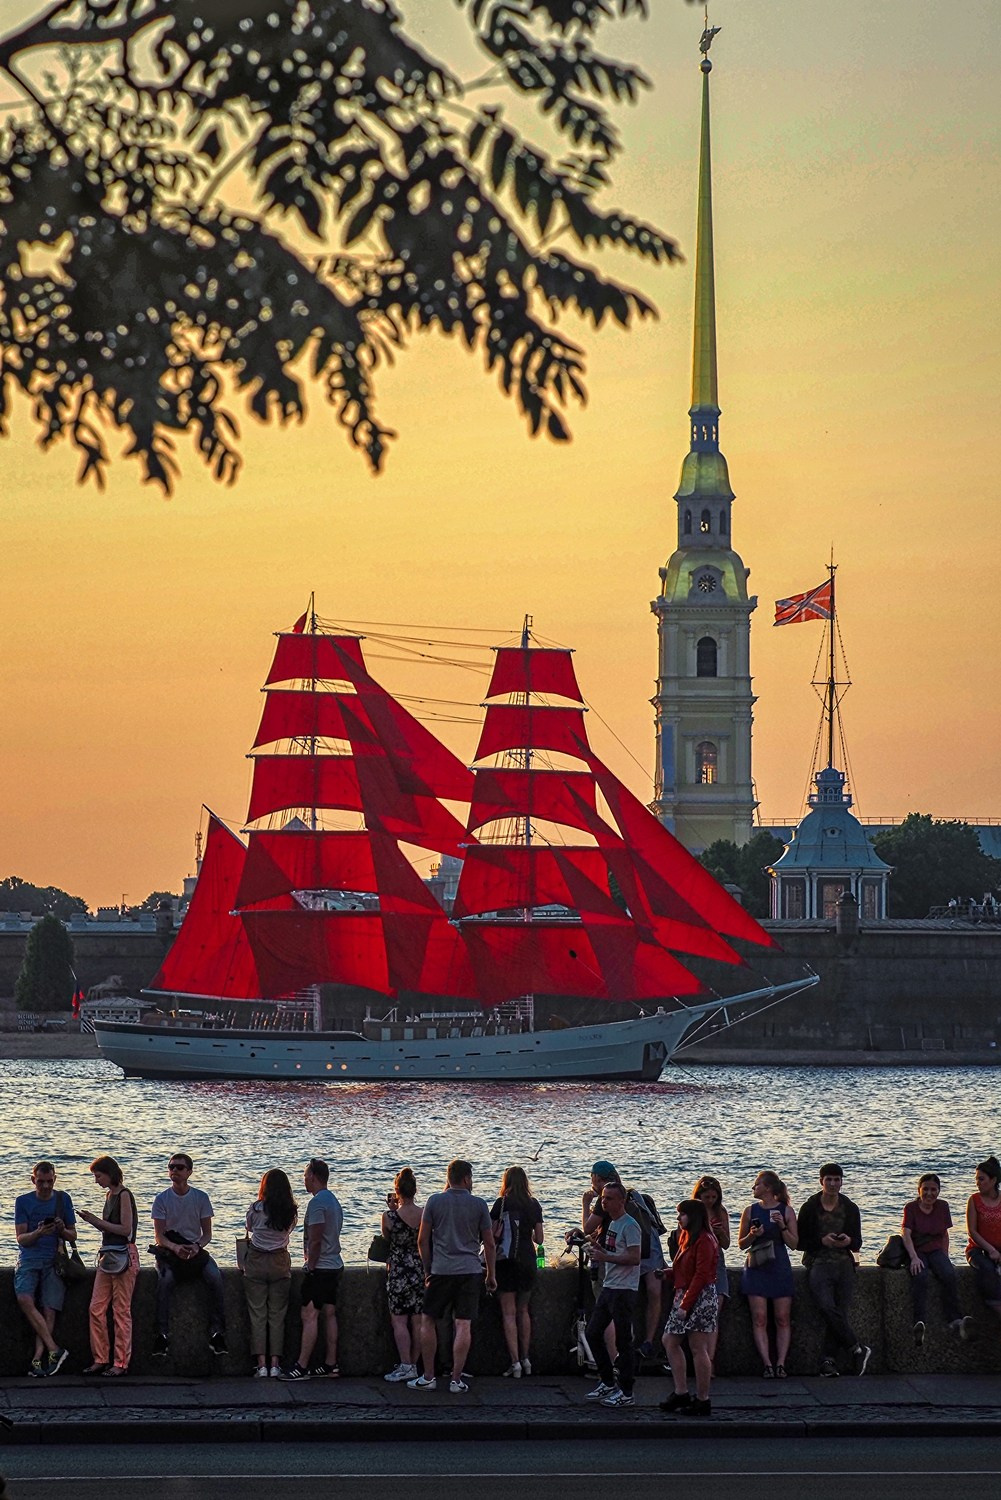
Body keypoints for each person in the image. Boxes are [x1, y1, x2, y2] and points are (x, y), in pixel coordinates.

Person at [408, 1158, 496, 1394]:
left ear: (449, 1178)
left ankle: (429, 1376)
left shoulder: (434, 1201)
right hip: (470, 1271)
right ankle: (456, 1379)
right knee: (463, 1324)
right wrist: (491, 1275)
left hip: (441, 1270)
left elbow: (422, 1241)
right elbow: (489, 1244)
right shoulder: (479, 1204)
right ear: (466, 1179)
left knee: (428, 1320)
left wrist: (428, 1269)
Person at [151, 1151, 227, 1357]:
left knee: (215, 1277)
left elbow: (207, 1234)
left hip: (194, 1249)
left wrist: (196, 1246)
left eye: (179, 1167)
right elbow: (159, 1236)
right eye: (171, 1167)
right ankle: (161, 1335)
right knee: (165, 1281)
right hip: (170, 1251)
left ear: (189, 1172)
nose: (174, 1171)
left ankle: (217, 1332)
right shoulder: (161, 1199)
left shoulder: (200, 1198)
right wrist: (175, 1248)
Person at [797, 1164, 871, 1378]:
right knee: (827, 1307)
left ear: (841, 1182)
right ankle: (857, 1347)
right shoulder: (810, 1207)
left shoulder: (850, 1207)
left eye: (836, 1179)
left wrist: (848, 1241)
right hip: (818, 1262)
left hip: (844, 1264)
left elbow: (857, 1241)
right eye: (828, 1179)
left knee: (840, 1313)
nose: (832, 1184)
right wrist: (822, 1241)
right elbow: (800, 1242)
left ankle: (828, 1361)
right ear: (821, 1181)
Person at [14, 1160, 76, 1376]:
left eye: (49, 1181)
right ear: (34, 1180)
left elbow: (72, 1235)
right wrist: (38, 1233)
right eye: (41, 1182)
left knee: (49, 1309)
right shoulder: (23, 1201)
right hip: (29, 1258)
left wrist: (61, 1229)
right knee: (24, 1299)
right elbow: (21, 1238)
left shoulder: (63, 1199)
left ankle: (38, 1359)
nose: (46, 1186)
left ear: (55, 1179)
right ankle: (54, 1349)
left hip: (53, 1260)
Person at [282, 1158, 343, 1381]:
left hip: (321, 1268)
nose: (304, 1180)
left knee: (309, 1314)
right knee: (330, 1313)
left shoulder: (317, 1203)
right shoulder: (333, 1200)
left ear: (314, 1177)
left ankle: (302, 1366)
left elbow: (316, 1239)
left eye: (305, 1175)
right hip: (335, 1264)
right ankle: (331, 1363)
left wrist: (311, 1265)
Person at [583, 1179, 641, 1409]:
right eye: (602, 1198)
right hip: (610, 1285)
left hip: (624, 1289)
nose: (604, 1202)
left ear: (621, 1201)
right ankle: (608, 1381)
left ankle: (627, 1391)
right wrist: (597, 1249)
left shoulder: (630, 1225)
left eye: (609, 1198)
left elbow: (635, 1257)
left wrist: (605, 1257)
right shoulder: (613, 1224)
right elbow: (614, 1251)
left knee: (623, 1341)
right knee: (593, 1333)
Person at [78, 1156, 139, 1376]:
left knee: (121, 1311)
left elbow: (125, 1229)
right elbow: (111, 1228)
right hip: (109, 1255)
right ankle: (101, 1358)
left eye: (98, 1176)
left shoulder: (124, 1195)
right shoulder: (109, 1195)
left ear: (109, 1174)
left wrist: (95, 1221)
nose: (96, 1181)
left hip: (124, 1255)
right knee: (96, 1308)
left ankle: (120, 1363)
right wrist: (94, 1221)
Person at [661, 1198, 719, 1417]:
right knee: (670, 1340)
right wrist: (667, 1274)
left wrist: (685, 1304)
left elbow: (701, 1275)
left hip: (699, 1297)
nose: (678, 1218)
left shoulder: (705, 1240)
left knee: (697, 1347)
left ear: (693, 1217)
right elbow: (686, 1269)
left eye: (682, 1214)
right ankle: (681, 1392)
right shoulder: (687, 1236)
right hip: (685, 1294)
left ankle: (702, 1399)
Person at [737, 1169, 798, 1378]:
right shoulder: (750, 1211)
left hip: (779, 1265)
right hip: (757, 1266)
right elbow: (741, 1244)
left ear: (768, 1188)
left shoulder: (786, 1211)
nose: (753, 1188)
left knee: (782, 1318)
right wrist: (753, 1235)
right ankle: (767, 1364)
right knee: (759, 1318)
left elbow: (794, 1244)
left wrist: (782, 1226)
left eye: (757, 1184)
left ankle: (781, 1363)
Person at [242, 1168, 298, 1378]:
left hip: (256, 1260)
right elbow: (290, 1230)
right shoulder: (290, 1211)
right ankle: (275, 1364)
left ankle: (261, 1365)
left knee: (257, 1315)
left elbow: (249, 1227)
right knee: (277, 1315)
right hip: (279, 1261)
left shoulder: (256, 1208)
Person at [490, 1165, 544, 1378]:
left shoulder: (501, 1203)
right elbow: (539, 1239)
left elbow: (491, 1235)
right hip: (528, 1260)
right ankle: (526, 1358)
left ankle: (515, 1363)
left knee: (509, 1313)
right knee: (523, 1311)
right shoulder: (533, 1204)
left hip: (507, 1261)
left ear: (507, 1182)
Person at [901, 1173, 967, 1345]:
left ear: (938, 1191)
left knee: (948, 1274)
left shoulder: (943, 1206)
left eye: (933, 1190)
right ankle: (919, 1322)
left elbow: (944, 1234)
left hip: (936, 1250)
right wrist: (913, 1257)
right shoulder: (911, 1208)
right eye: (925, 1189)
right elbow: (906, 1234)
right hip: (917, 1250)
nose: (929, 1194)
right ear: (919, 1190)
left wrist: (945, 1256)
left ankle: (955, 1319)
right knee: (920, 1276)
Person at [382, 1167, 424, 1383]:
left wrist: (394, 1209)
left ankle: (405, 1364)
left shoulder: (389, 1217)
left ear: (397, 1192)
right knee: (418, 1321)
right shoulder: (425, 1214)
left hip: (398, 1271)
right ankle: (414, 1365)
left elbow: (387, 1240)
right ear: (415, 1190)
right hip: (418, 1269)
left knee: (399, 1320)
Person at [692, 1174, 731, 1366]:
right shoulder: (692, 1212)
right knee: (697, 1313)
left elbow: (727, 1244)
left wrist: (720, 1232)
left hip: (716, 1262)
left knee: (714, 1313)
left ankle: (710, 1360)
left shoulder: (720, 1212)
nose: (710, 1201)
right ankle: (700, 1359)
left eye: (714, 1197)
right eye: (706, 1197)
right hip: (697, 1262)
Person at [965, 1155, 1001, 1330]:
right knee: (987, 1269)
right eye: (976, 1179)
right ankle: (995, 1305)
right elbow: (972, 1231)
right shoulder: (974, 1200)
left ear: (993, 1180)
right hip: (978, 1249)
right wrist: (990, 1249)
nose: (977, 1183)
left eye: (981, 1179)